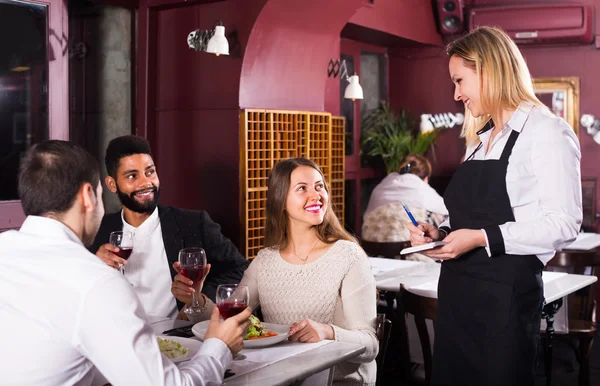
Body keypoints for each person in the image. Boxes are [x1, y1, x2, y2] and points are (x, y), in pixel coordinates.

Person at [407, 26, 582, 386]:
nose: (456, 95)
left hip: (505, 300)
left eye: (460, 81)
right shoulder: (482, 138)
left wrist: (482, 238)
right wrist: (440, 233)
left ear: (488, 71)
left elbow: (565, 224)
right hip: (457, 297)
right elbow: (470, 218)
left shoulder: (547, 131)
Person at [0, 140, 252, 386]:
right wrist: (220, 345)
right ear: (90, 195)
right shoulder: (96, 281)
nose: (145, 181)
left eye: (150, 171)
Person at [207, 158, 378, 385]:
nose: (316, 195)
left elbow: (370, 344)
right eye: (302, 189)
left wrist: (328, 332)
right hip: (282, 379)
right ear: (281, 201)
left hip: (338, 381)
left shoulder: (349, 256)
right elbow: (230, 315)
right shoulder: (265, 260)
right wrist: (195, 299)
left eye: (319, 186)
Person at [90, 135, 249, 319]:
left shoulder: (194, 223)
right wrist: (93, 267)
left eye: (150, 172)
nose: (146, 183)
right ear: (112, 184)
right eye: (132, 176)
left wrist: (198, 299)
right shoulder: (98, 230)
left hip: (179, 339)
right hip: (119, 337)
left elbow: (240, 270)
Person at [362, 154, 448, 261]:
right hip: (413, 256)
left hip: (374, 254)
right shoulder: (424, 189)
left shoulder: (381, 186)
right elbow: (447, 215)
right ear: (425, 178)